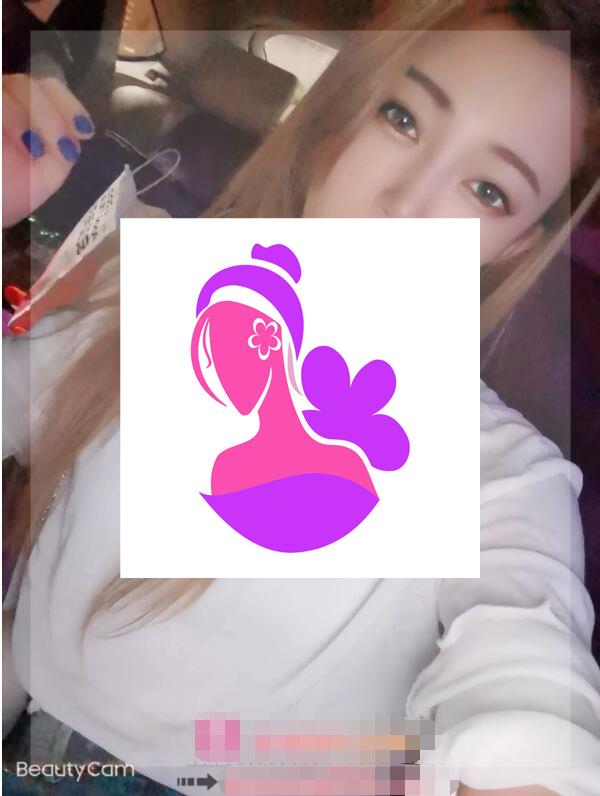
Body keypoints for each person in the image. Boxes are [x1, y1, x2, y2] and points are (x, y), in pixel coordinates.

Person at [3, 1, 600, 794]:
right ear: (337, 121)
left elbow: (525, 687)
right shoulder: (144, 286)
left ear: (514, 242)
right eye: (401, 117)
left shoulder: (503, 473)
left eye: (488, 190)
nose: (405, 204)